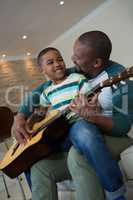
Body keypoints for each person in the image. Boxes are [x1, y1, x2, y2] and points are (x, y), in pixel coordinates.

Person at [13, 31, 133, 200]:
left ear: (96, 62)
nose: (71, 59)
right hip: (73, 131)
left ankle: (116, 194)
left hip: (105, 134)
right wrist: (20, 116)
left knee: (78, 149)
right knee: (34, 162)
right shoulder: (77, 70)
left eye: (77, 56)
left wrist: (92, 116)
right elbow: (42, 89)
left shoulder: (120, 78)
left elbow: (123, 126)